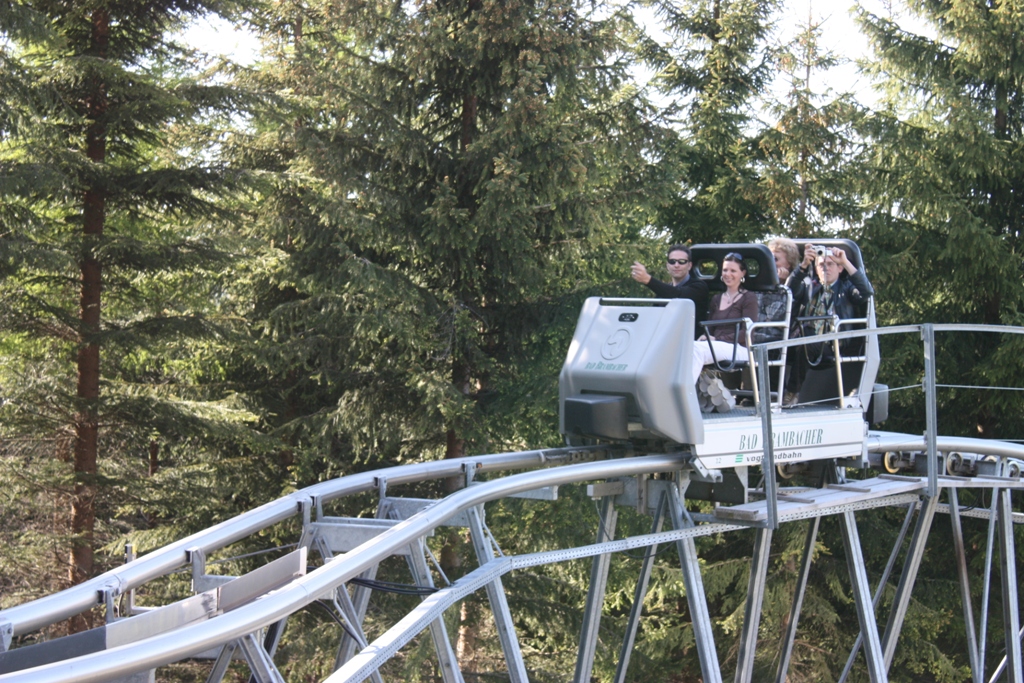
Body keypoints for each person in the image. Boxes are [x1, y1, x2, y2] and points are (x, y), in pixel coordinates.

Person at [791, 244, 874, 406]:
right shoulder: (809, 286)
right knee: (772, 345)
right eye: (821, 265)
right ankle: (765, 394)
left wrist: (845, 261)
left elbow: (866, 291)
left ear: (839, 269)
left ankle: (792, 392)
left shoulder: (847, 289)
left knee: (805, 342)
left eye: (830, 264)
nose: (825, 268)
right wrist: (804, 265)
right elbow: (789, 291)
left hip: (832, 344)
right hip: (804, 339)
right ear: (816, 269)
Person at [691, 253, 759, 386]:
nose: (728, 274)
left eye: (733, 270)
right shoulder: (716, 299)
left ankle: (685, 392)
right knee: (688, 347)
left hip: (739, 348)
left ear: (743, 273)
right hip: (717, 346)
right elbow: (710, 328)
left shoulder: (749, 298)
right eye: (725, 270)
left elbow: (747, 333)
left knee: (697, 351)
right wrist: (706, 336)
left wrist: (717, 339)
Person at [632, 244, 709, 334]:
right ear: (667, 265)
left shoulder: (699, 287)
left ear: (689, 265)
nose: (676, 265)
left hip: (690, 341)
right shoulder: (662, 292)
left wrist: (648, 279)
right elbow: (653, 318)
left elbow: (677, 295)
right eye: (672, 261)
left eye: (682, 261)